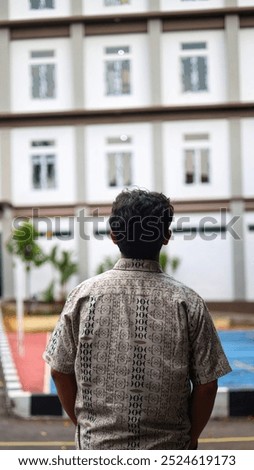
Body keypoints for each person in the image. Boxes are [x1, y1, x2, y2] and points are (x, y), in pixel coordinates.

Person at [43, 189, 231, 450]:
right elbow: (207, 385)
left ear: (113, 235)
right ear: (166, 236)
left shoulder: (82, 297)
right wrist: (190, 439)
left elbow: (58, 370)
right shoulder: (188, 302)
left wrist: (85, 426)